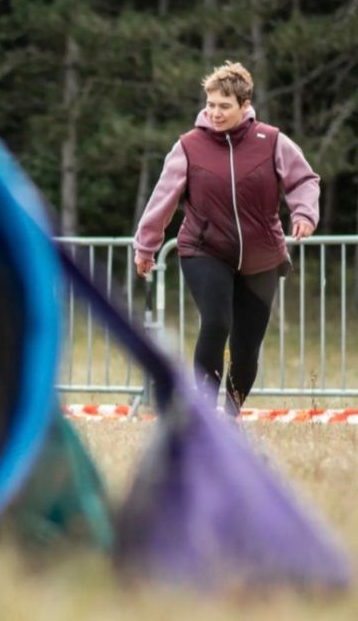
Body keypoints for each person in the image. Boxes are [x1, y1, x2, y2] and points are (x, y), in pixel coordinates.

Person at [133, 61, 319, 415]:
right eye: (211, 105)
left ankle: (231, 417)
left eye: (224, 106)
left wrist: (305, 213)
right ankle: (204, 416)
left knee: (247, 345)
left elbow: (304, 180)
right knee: (217, 321)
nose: (215, 113)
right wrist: (146, 245)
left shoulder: (272, 141)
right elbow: (163, 198)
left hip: (262, 255)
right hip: (205, 249)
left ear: (245, 106)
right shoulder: (189, 146)